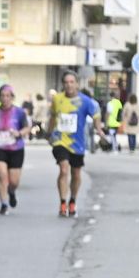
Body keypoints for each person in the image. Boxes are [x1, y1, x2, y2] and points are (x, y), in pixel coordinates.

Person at [49, 70, 98, 219]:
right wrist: (49, 132)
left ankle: (73, 201)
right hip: (60, 140)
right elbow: (53, 116)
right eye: (66, 82)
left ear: (77, 84)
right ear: (63, 84)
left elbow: (96, 114)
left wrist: (100, 128)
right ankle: (63, 202)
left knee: (76, 174)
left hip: (77, 143)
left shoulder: (85, 101)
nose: (69, 85)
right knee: (64, 169)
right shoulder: (57, 99)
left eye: (72, 82)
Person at [0, 84, 27, 215]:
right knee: (2, 175)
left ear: (12, 97)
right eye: (2, 96)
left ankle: (11, 191)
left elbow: (27, 127)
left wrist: (19, 133)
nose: (5, 98)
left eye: (8, 96)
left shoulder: (20, 112)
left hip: (16, 148)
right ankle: (4, 204)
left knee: (14, 181)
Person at [104, 88, 123, 152]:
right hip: (117, 122)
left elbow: (108, 113)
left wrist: (106, 122)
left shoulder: (110, 103)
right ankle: (115, 147)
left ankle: (114, 147)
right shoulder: (119, 103)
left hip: (111, 122)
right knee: (114, 135)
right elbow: (120, 113)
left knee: (112, 136)